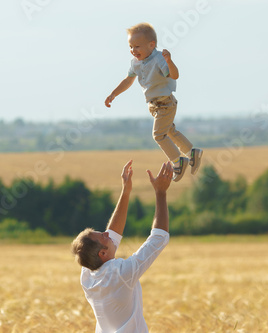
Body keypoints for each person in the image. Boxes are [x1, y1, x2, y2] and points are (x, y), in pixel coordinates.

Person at [71, 160, 173, 332]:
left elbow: (113, 235)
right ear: (103, 253)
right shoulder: (122, 273)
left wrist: (125, 192)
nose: (106, 233)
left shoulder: (87, 274)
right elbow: (159, 238)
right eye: (102, 236)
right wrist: (161, 193)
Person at [104, 22, 203, 182]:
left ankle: (178, 162)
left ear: (152, 45)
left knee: (158, 135)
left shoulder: (158, 60)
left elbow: (174, 75)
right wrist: (113, 94)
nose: (133, 51)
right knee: (170, 131)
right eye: (131, 46)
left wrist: (169, 61)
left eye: (137, 46)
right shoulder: (135, 63)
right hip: (155, 106)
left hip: (165, 103)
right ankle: (192, 152)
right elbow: (128, 80)